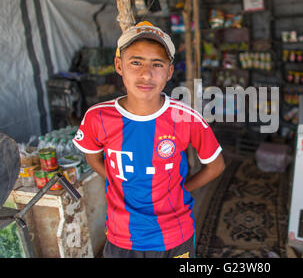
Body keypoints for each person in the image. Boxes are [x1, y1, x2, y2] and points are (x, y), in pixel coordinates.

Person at [72, 21, 225, 258]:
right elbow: (92, 159)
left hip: (174, 234)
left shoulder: (186, 118)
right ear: (118, 65)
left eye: (157, 64)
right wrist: (121, 181)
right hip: (121, 235)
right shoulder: (98, 117)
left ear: (169, 72)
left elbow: (216, 166)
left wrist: (181, 189)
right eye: (135, 62)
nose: (146, 74)